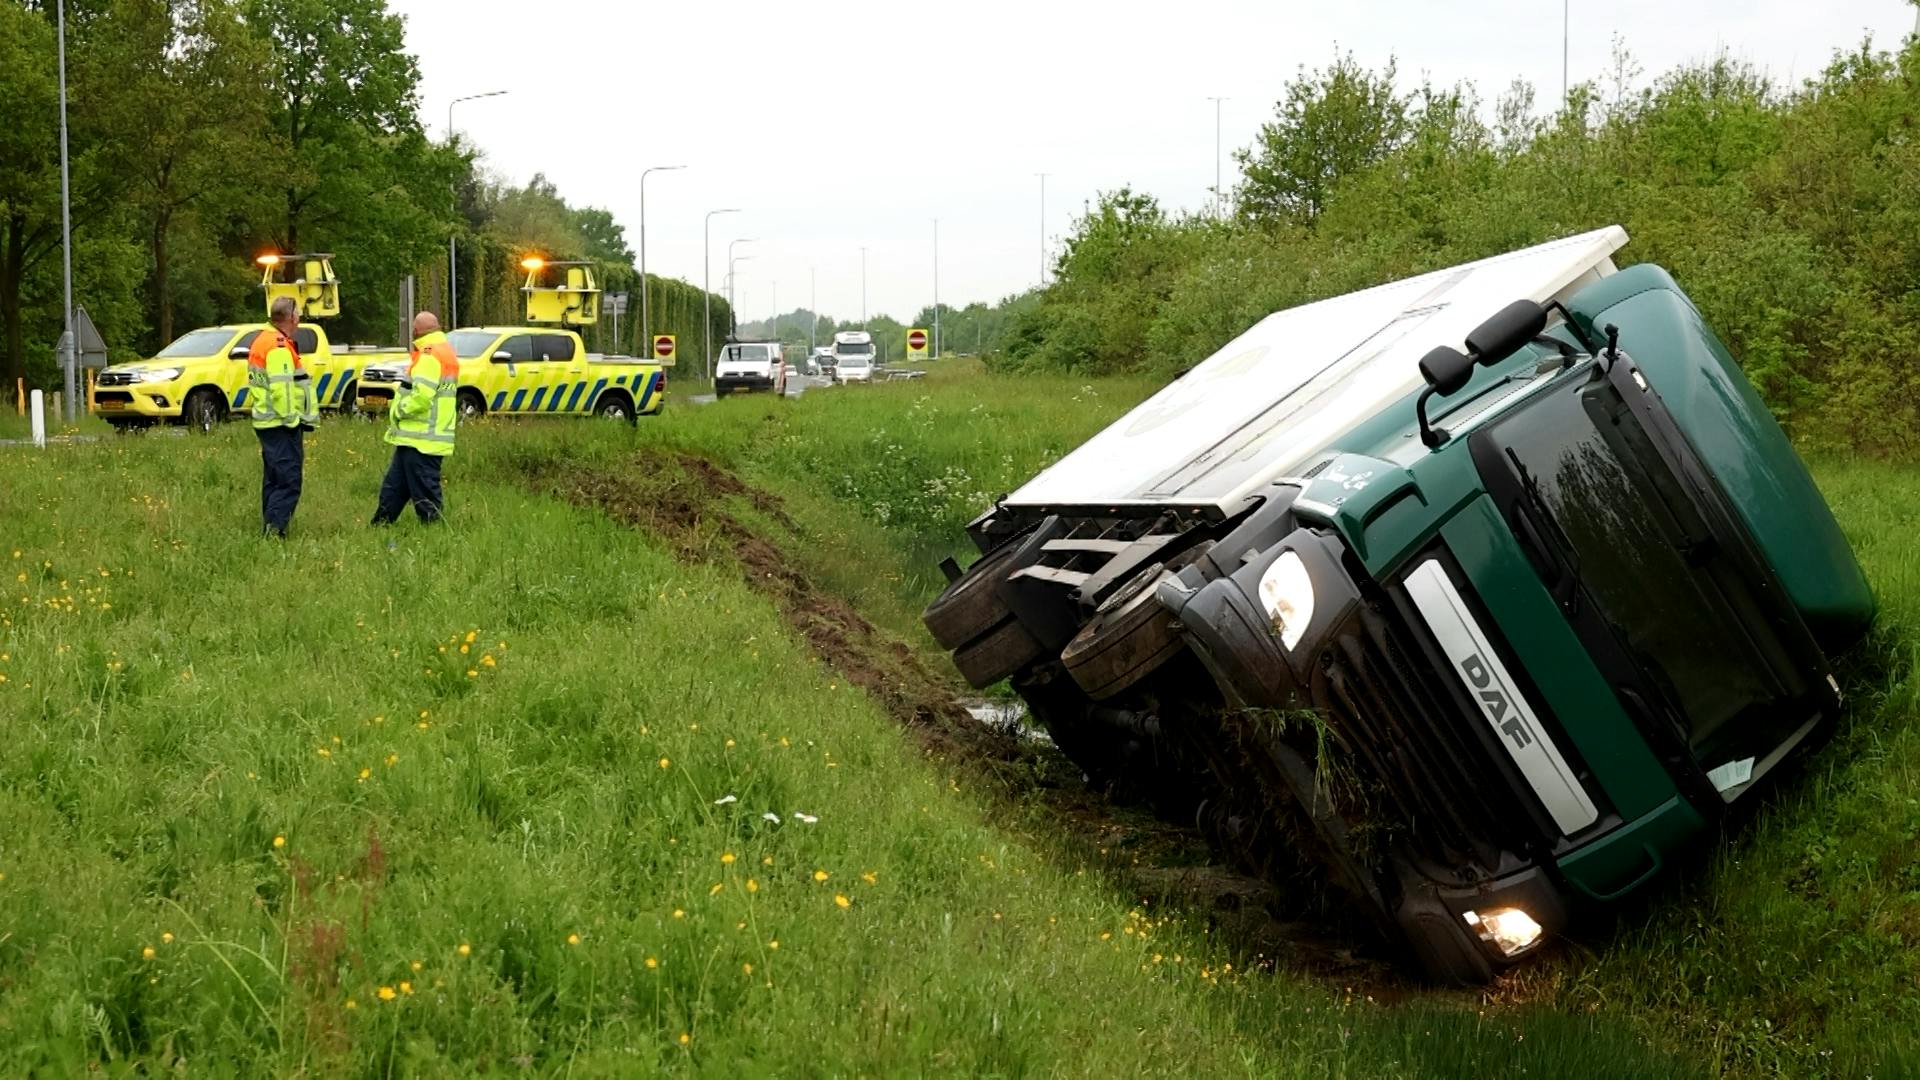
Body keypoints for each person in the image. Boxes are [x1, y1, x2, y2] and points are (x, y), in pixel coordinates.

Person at [371, 311, 458, 525]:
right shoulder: (444, 351)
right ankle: (380, 527)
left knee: (425, 494)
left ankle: (434, 533)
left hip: (422, 437)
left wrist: (399, 410)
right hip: (416, 438)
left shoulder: (429, 356)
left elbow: (421, 398)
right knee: (394, 489)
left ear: (416, 331)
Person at [250, 296, 316, 537]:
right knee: (288, 481)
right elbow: (283, 389)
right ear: (292, 317)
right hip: (281, 423)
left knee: (274, 479)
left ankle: (270, 525)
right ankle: (275, 531)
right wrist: (292, 420)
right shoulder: (278, 346)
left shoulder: (263, 340)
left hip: (266, 421)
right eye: (298, 315)